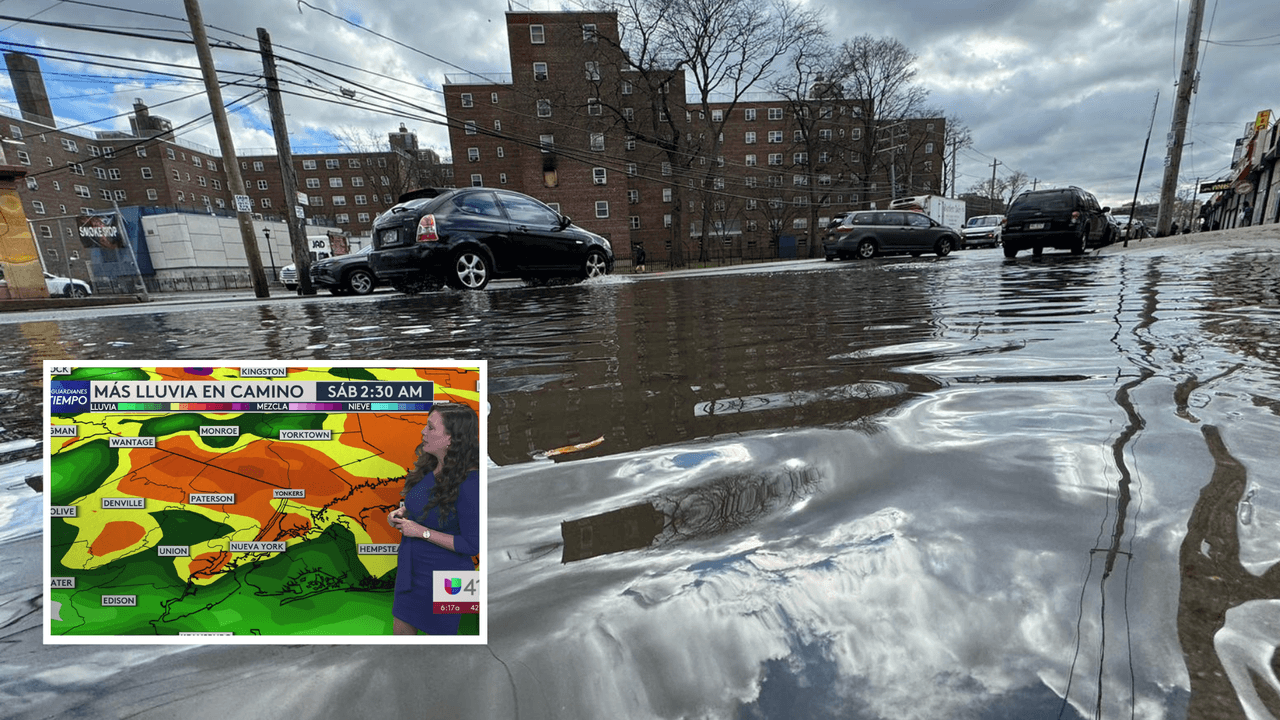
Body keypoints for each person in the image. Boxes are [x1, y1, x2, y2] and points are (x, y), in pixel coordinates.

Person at [387, 403, 480, 635]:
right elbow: (427, 510)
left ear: (450, 438)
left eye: (430, 428)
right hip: (412, 572)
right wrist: (401, 515)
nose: (423, 432)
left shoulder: (471, 483)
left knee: (440, 655)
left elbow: (472, 545)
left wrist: (420, 532)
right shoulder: (432, 467)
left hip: (451, 580)